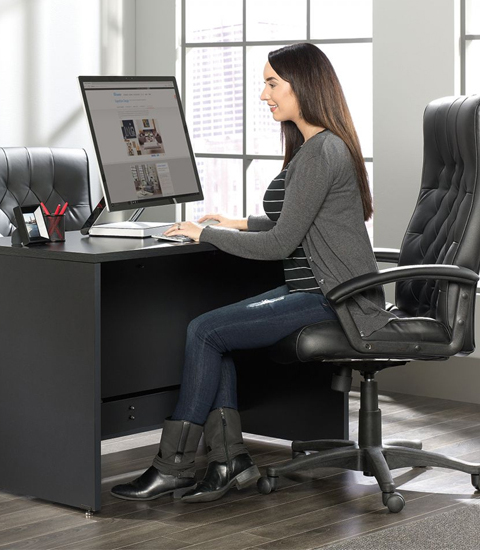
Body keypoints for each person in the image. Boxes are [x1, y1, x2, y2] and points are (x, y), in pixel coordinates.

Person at [110, 43, 392, 503]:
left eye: (272, 83)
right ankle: (228, 461)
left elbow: (282, 243)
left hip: (334, 300)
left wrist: (205, 237)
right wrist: (232, 223)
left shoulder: (323, 151)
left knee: (204, 331)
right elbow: (297, 223)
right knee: (212, 332)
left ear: (304, 86)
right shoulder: (317, 145)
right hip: (318, 290)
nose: (264, 95)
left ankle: (174, 466)